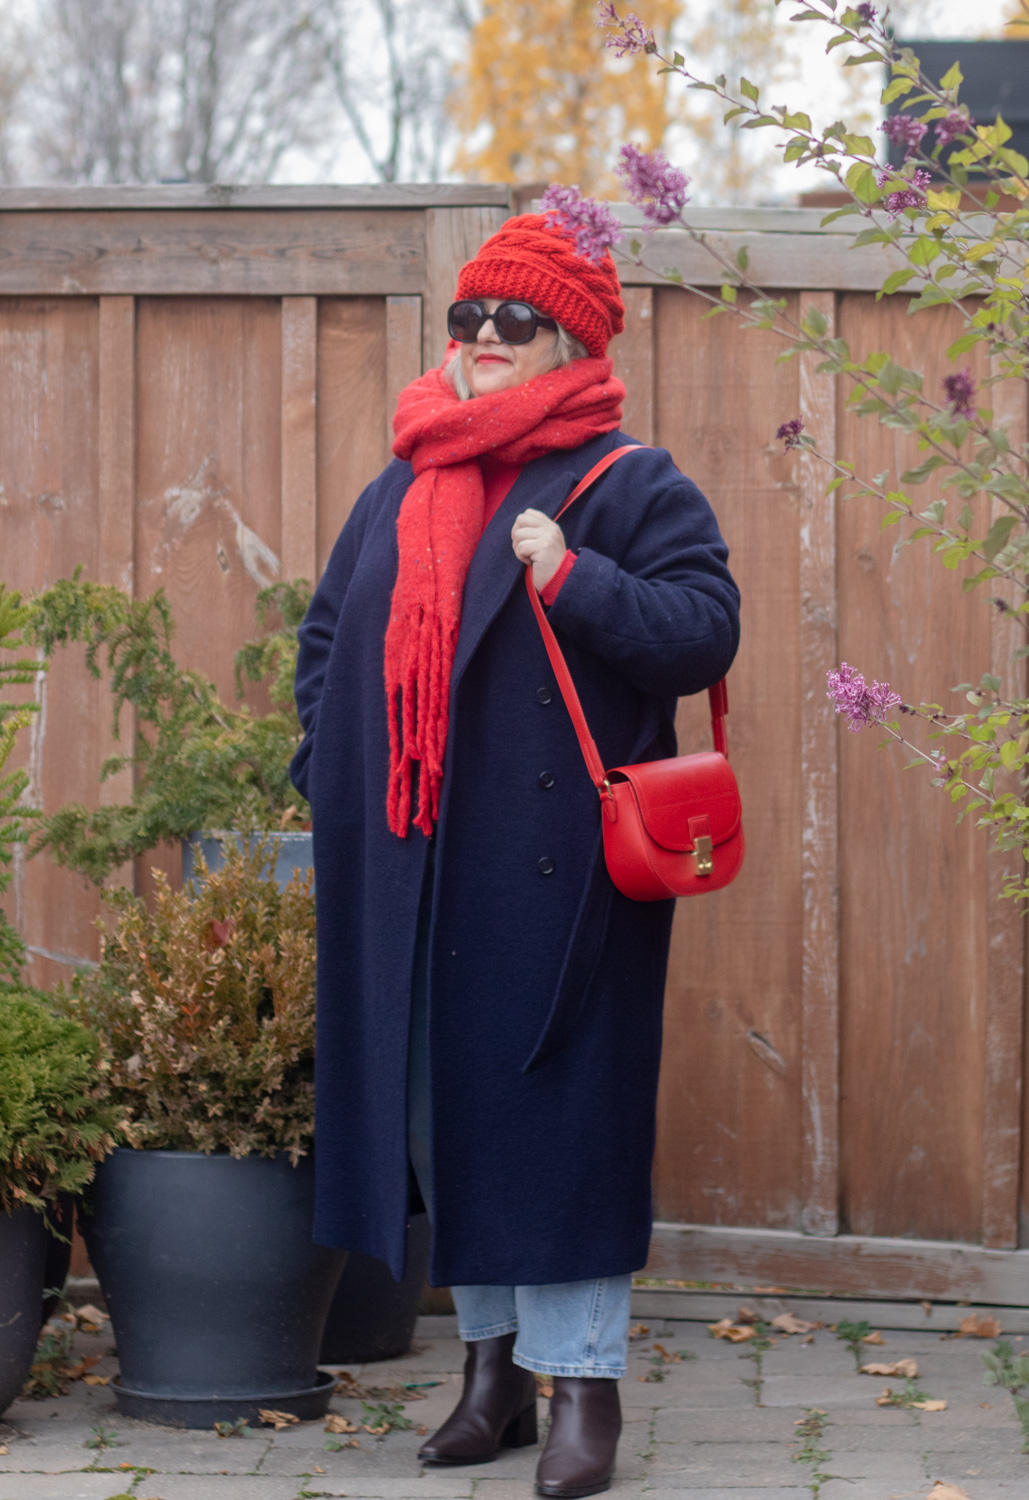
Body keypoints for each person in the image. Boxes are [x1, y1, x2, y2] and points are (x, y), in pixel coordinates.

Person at [290, 213, 740, 1498]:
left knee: (562, 1125)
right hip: (415, 868)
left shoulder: (630, 481)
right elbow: (331, 641)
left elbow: (703, 632)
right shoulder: (407, 480)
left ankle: (582, 1393)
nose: (484, 343)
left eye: (515, 323)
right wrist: (335, 774)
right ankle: (487, 1378)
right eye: (468, 319)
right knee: (448, 1116)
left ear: (571, 341)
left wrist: (578, 580)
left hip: (556, 875)